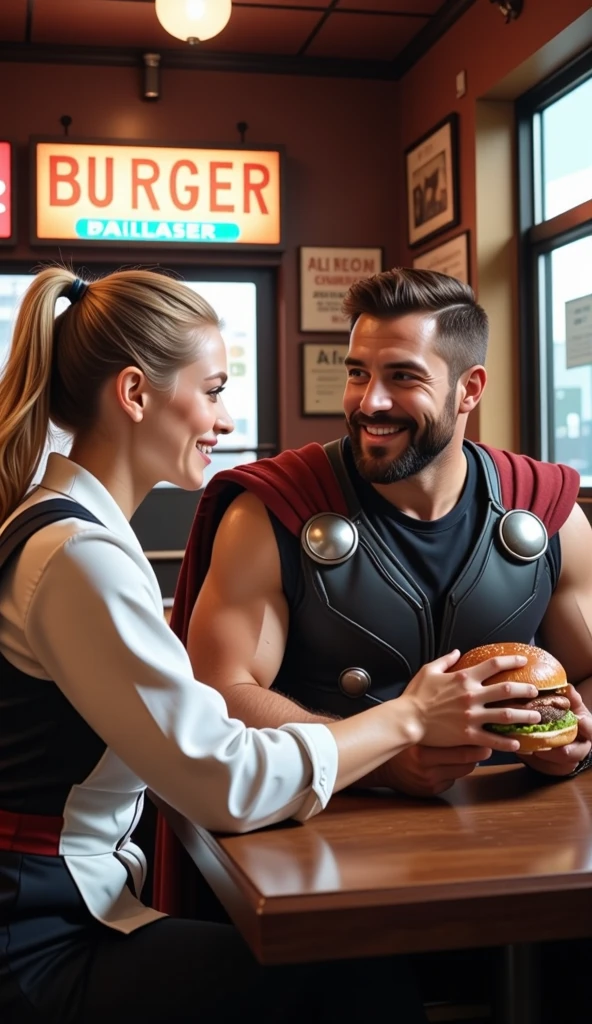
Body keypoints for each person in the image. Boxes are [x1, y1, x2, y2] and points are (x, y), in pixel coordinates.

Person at [0, 267, 539, 1024]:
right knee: (354, 984)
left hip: (64, 910)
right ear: (134, 394)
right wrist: (408, 718)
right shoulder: (75, 556)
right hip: (36, 940)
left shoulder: (67, 530)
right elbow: (222, 781)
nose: (225, 419)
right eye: (213, 390)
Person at [173, 267, 592, 800]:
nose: (369, 402)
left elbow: (586, 675)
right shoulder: (270, 514)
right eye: (357, 374)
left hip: (514, 828)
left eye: (403, 376)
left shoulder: (548, 512)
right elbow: (219, 695)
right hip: (325, 834)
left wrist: (576, 744)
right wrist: (382, 765)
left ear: (470, 389)